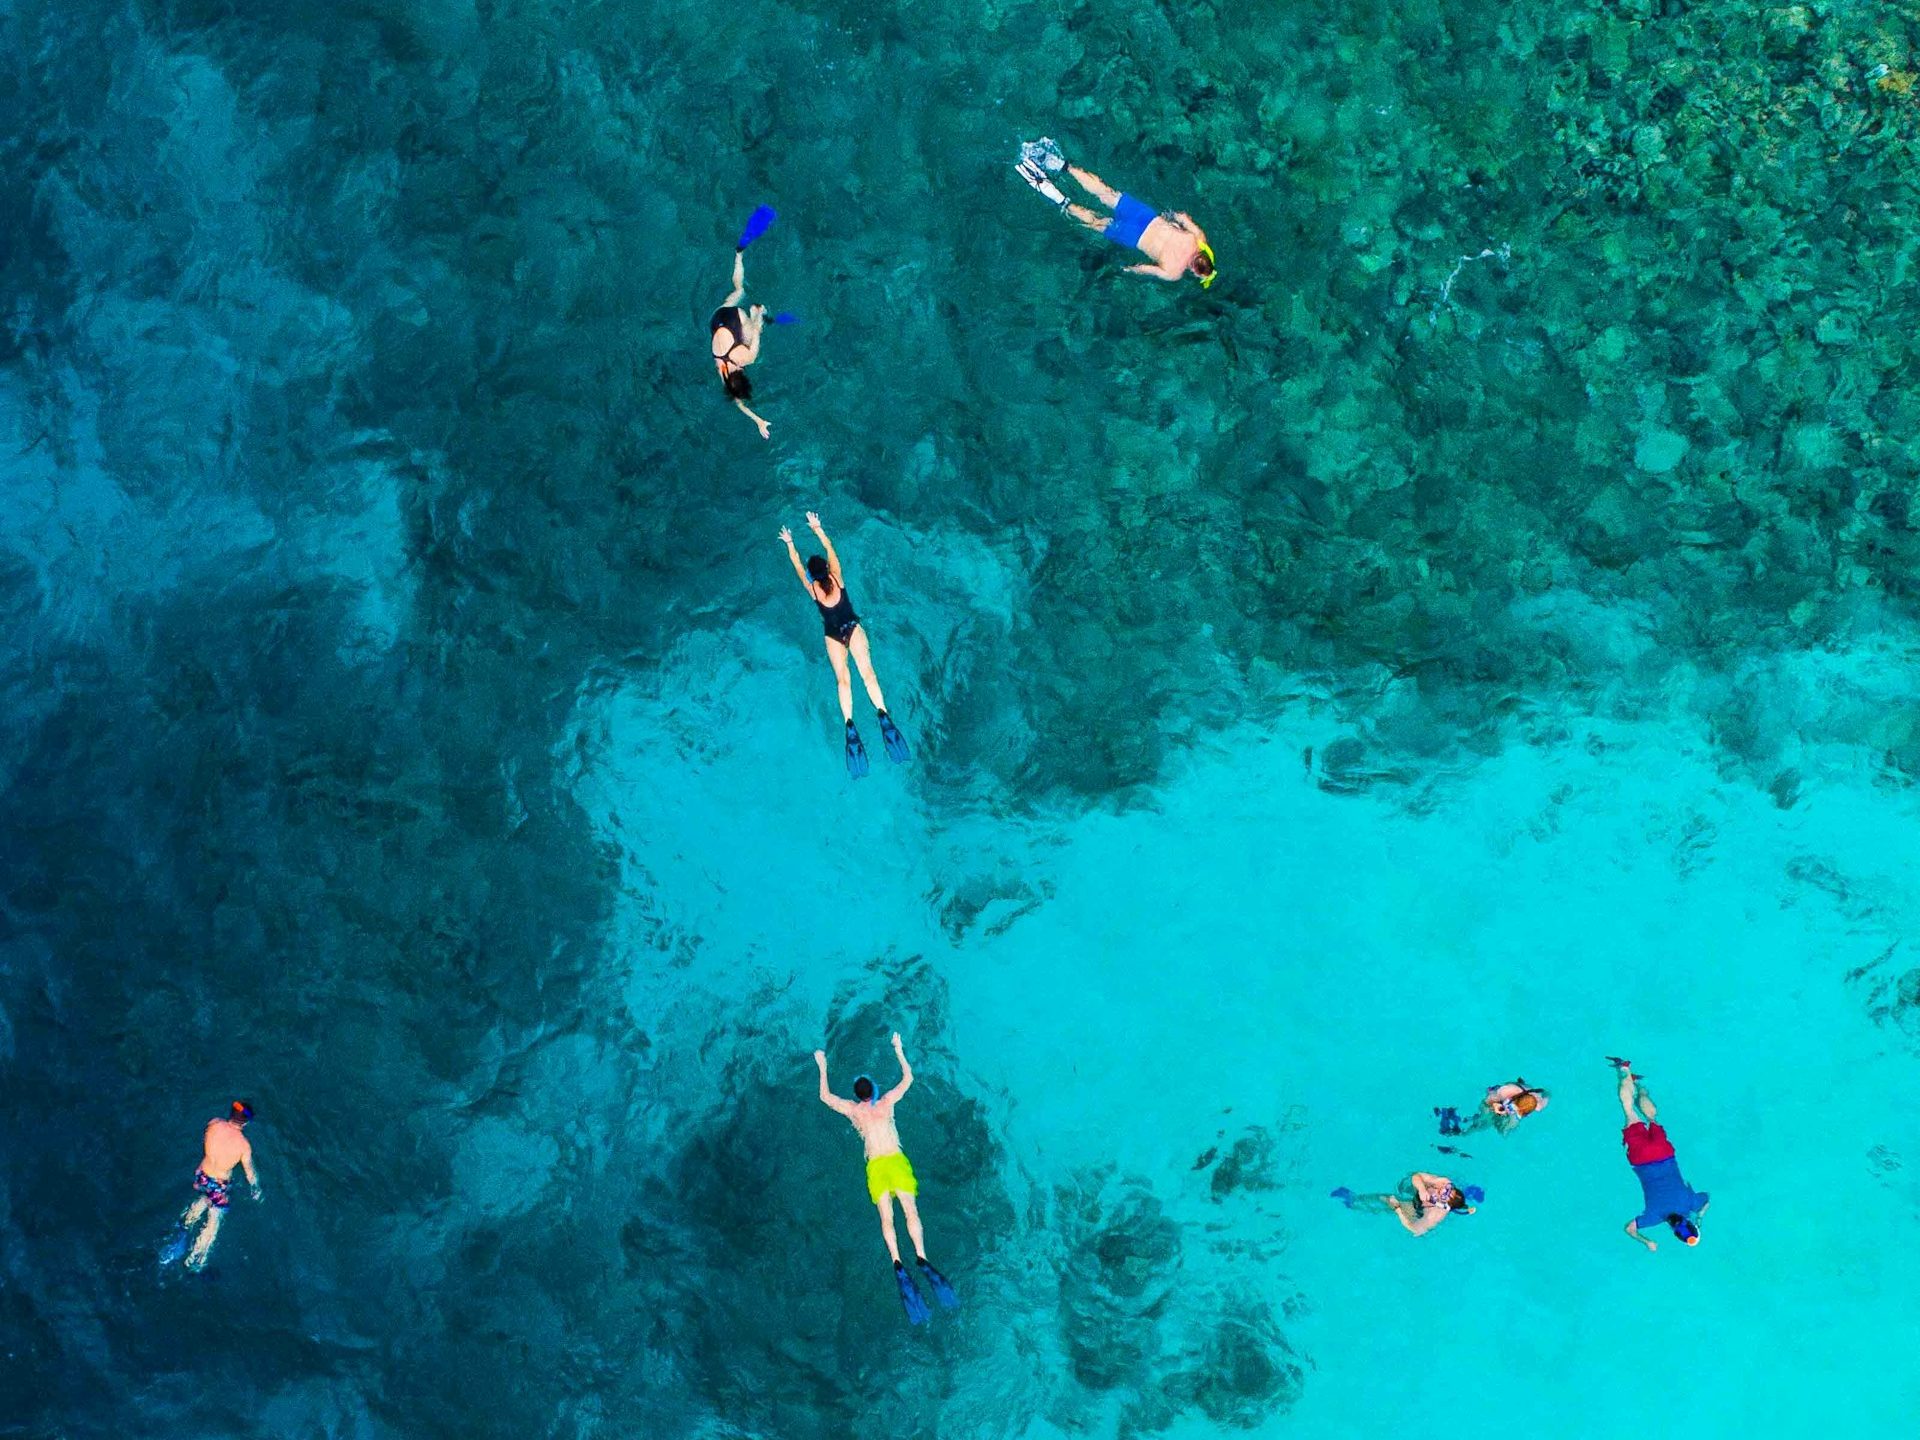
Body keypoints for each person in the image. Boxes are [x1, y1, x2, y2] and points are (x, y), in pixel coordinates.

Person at [815, 1033, 959, 1323]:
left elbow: (825, 1097)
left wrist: (822, 1066)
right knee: (911, 1211)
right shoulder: (888, 1102)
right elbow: (909, 1078)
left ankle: (897, 1261)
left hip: (877, 1167)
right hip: (896, 1161)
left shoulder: (854, 1111)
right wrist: (898, 1049)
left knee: (887, 1219)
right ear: (875, 1091)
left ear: (858, 1095)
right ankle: (921, 1256)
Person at [779, 512, 910, 778]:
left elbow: (796, 567)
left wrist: (790, 543)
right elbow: (830, 548)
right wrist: (817, 527)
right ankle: (882, 713)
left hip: (833, 635)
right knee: (868, 673)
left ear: (812, 575)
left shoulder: (813, 589)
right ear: (826, 569)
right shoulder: (837, 577)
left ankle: (849, 723)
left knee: (843, 681)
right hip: (852, 629)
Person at [1015, 139, 1215, 286]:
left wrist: (1169, 219)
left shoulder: (1198, 239)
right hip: (1134, 237)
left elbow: (1182, 216)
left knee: (1106, 192)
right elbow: (1144, 269)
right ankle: (1063, 201)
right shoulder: (1174, 272)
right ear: (1194, 271)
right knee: (1097, 221)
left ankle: (1063, 166)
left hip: (1146, 217)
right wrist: (1127, 270)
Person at [1612, 1058, 1710, 1251]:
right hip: (1641, 1160)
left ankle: (1639, 1085)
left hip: (1665, 1154)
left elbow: (1707, 1198)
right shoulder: (1653, 1216)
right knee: (1629, 1111)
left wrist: (1699, 1217)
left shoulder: (1691, 1203)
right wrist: (1646, 1241)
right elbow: (1629, 1229)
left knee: (1652, 1118)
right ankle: (1623, 1069)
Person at [167, 1100, 261, 1271]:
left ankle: (183, 1229)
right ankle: (195, 1260)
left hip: (202, 1175)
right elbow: (249, 1172)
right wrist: (256, 1188)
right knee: (214, 1221)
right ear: (246, 1122)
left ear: (231, 1113)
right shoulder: (243, 1145)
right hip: (219, 1185)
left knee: (204, 1198)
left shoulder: (214, 1123)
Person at [712, 247, 773, 439]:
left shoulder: (748, 358)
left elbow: (756, 332)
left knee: (754, 334)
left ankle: (755, 312)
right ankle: (738, 256)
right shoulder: (722, 371)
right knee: (739, 290)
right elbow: (738, 403)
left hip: (735, 321)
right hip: (718, 317)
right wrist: (758, 420)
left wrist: (759, 316)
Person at [1331, 1171, 1480, 1236]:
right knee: (1407, 1180)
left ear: (1443, 1204)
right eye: (1448, 1189)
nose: (1441, 1191)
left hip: (1416, 1210)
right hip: (1417, 1195)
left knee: (1385, 1199)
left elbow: (1415, 1229)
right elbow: (1418, 1176)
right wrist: (1422, 1188)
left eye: (1444, 1195)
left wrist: (1398, 1210)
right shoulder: (1442, 1182)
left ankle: (1353, 1201)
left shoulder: (1435, 1214)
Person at [1438, 1078, 1551, 1137]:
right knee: (1484, 1122)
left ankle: (1466, 1126)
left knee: (1501, 1126)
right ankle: (1463, 1130)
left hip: (1512, 1101)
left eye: (1516, 1113)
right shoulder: (1506, 1091)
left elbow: (1548, 1093)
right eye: (1511, 1108)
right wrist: (1494, 1106)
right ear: (1513, 1101)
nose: (1510, 1111)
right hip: (1494, 1100)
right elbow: (1486, 1101)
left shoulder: (1539, 1105)